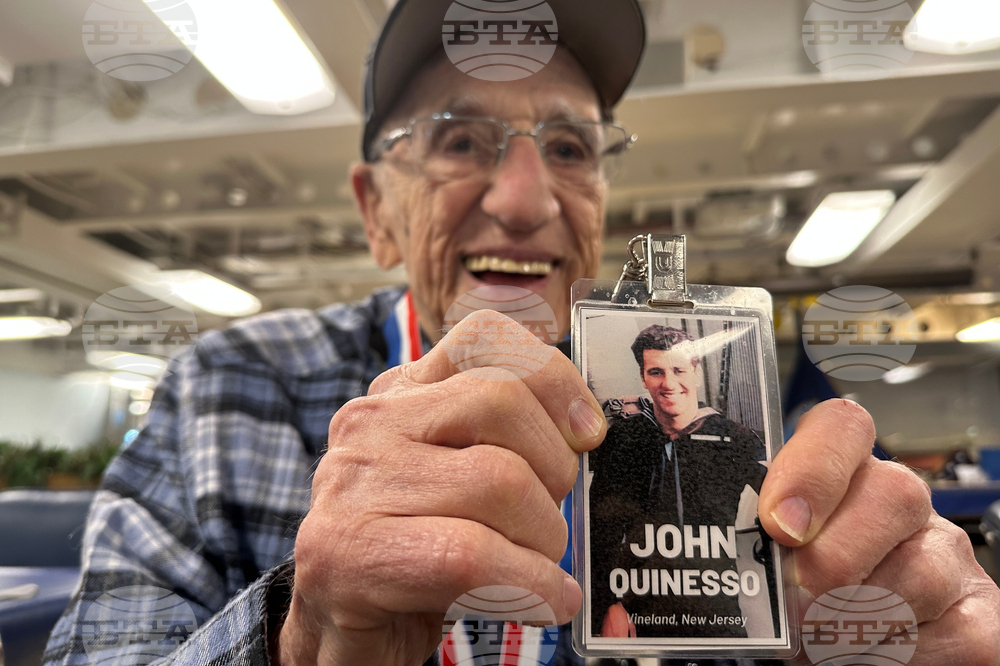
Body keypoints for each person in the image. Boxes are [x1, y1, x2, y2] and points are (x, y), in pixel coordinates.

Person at [42, 0, 1000, 664]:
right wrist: (296, 643)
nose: (526, 198)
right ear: (377, 210)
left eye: (572, 149)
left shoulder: (702, 409)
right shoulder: (228, 387)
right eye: (461, 140)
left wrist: (888, 616)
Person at [590, 325, 773, 639]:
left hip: (717, 620)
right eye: (657, 372)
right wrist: (607, 604)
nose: (669, 383)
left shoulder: (732, 438)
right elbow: (597, 532)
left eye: (678, 370)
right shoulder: (625, 439)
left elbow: (781, 503)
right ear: (643, 378)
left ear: (696, 372)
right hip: (638, 619)